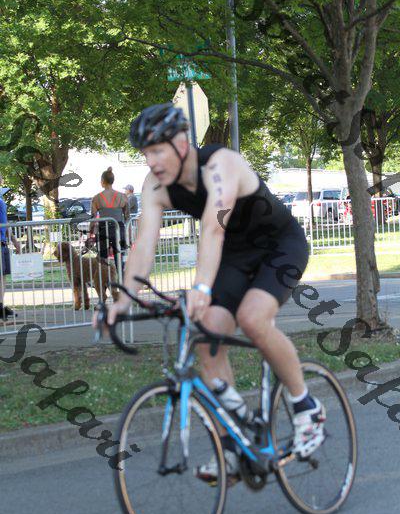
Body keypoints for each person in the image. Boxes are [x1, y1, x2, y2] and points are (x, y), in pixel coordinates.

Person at [97, 104, 326, 482]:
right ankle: (232, 447)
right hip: (234, 256)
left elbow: (213, 228)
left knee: (252, 318)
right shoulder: (155, 185)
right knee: (206, 337)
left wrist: (202, 287)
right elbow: (143, 245)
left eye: (157, 150)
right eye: (145, 153)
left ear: (181, 144)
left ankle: (307, 408)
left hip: (277, 247)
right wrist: (121, 301)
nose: (151, 161)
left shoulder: (221, 165)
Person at [90, 167, 129, 273]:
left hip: (103, 230)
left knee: (102, 261)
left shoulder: (96, 198)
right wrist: (128, 234)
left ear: (102, 181)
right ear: (112, 180)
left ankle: (104, 281)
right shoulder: (123, 196)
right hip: (119, 230)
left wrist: (90, 234)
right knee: (120, 260)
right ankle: (122, 280)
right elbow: (127, 217)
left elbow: (93, 219)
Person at [0, 175, 21, 320]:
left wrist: (14, 240)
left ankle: (1, 306)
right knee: (1, 278)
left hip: (3, 243)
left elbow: (5, 223)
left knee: (2, 277)